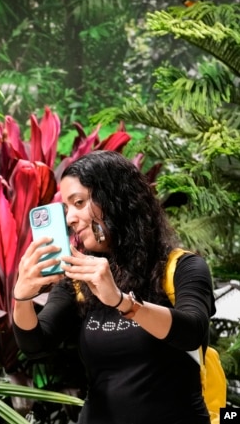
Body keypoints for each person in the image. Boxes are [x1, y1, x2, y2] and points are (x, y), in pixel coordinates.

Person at [12, 150, 215, 424]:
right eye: (67, 207)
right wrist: (21, 298)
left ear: (116, 200)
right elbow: (36, 344)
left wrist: (122, 302)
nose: (70, 218)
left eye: (79, 202)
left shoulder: (182, 268)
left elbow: (192, 331)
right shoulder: (79, 278)